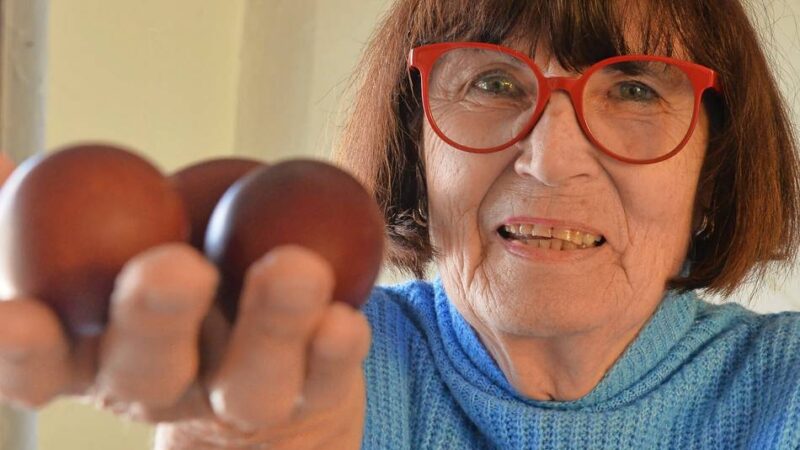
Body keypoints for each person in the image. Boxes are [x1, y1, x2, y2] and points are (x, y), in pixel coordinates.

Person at [1, 0, 799, 448]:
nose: (552, 160)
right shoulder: (299, 363)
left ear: (714, 164)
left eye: (633, 90)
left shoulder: (786, 386)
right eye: (491, 80)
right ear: (413, 148)